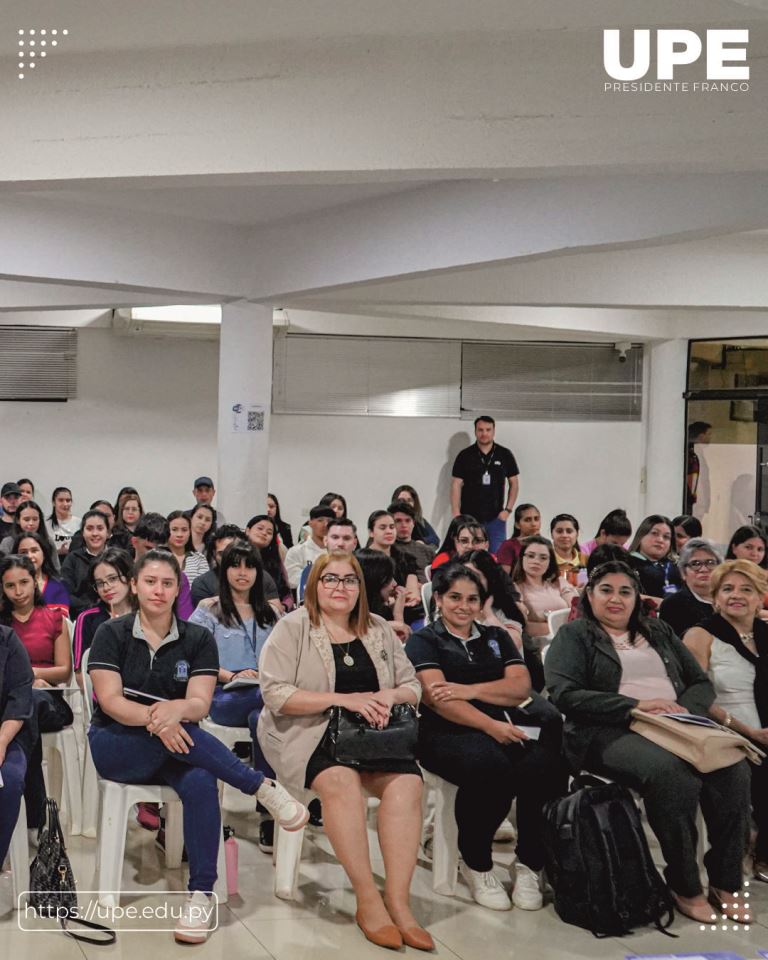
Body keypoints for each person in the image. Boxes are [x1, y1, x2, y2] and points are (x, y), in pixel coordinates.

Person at [87, 548, 308, 944]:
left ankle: (201, 894)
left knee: (201, 779)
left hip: (180, 745)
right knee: (184, 743)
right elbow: (112, 702)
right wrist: (162, 718)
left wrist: (175, 712)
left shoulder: (198, 638)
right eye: (150, 581)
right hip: (117, 744)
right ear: (134, 586)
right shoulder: (111, 633)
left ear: (178, 590)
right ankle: (260, 786)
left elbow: (199, 703)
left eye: (167, 583)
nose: (158, 590)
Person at [545, 560, 751, 924]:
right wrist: (636, 706)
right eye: (606, 590)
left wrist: (679, 713)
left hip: (676, 726)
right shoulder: (575, 636)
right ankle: (685, 884)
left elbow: (700, 683)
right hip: (609, 730)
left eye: (625, 591)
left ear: (637, 597)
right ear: (589, 595)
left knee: (733, 769)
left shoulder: (658, 631)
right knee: (671, 775)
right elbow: (565, 694)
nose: (616, 599)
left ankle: (726, 882)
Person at [257, 551, 428, 951]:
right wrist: (344, 699)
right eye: (329, 579)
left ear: (360, 588)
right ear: (314, 586)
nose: (340, 587)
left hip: (376, 735)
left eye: (348, 580)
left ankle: (399, 903)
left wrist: (388, 694)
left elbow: (413, 685)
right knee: (341, 784)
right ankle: (368, 898)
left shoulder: (379, 628)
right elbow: (275, 693)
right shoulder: (294, 627)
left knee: (407, 787)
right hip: (310, 734)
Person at [406, 564, 567, 911]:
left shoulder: (496, 637)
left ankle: (530, 862)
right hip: (446, 731)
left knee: (547, 765)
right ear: (438, 599)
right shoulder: (425, 641)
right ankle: (476, 862)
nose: (463, 606)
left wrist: (467, 689)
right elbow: (437, 698)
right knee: (490, 767)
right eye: (454, 598)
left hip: (506, 724)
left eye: (472, 599)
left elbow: (520, 686)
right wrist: (489, 722)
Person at [189, 540, 279, 851]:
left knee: (261, 716)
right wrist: (233, 675)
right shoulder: (208, 612)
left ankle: (269, 807)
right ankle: (272, 805)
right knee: (268, 708)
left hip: (263, 696)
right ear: (223, 570)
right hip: (222, 695)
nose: (242, 573)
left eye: (249, 566)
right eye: (235, 565)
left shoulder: (270, 614)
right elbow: (193, 659)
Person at [683, 559, 768, 882]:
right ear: (715, 597)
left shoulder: (765, 633)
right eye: (728, 589)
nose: (737, 596)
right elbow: (696, 697)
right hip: (726, 730)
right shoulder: (701, 635)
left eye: (747, 589)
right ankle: (744, 848)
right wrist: (747, 731)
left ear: (760, 596)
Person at [0, 555, 73, 832]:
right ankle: (36, 820)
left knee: (26, 707)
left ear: (36, 581)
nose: (18, 592)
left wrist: (32, 678)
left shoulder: (54, 618)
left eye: (23, 583)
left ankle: (32, 815)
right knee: (23, 717)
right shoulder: (2, 624)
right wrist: (23, 683)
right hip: (12, 702)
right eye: (9, 586)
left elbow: (64, 670)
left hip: (51, 699)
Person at [450, 416, 520, 554]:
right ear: (475, 432)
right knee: (468, 555)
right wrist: (456, 514)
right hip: (469, 518)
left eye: (488, 430)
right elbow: (456, 485)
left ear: (494, 431)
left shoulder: (504, 454)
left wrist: (508, 510)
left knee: (497, 557)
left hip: (496, 518)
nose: (484, 433)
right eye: (480, 430)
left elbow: (514, 483)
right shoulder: (465, 455)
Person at [0, 620, 35, 872]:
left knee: (9, 780)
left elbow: (19, 700)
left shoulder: (8, 641)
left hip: (6, 732)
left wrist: (1, 742)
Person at [72, 547, 136, 678]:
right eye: (100, 583)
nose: (106, 588)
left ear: (130, 578)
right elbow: (80, 674)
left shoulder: (145, 614)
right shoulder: (87, 618)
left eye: (112, 579)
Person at [511, 536, 578, 639]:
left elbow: (576, 611)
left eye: (543, 558)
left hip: (569, 639)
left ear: (549, 561)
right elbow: (526, 627)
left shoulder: (559, 582)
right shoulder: (515, 589)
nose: (536, 561)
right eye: (531, 556)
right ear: (521, 558)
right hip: (537, 645)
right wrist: (561, 625)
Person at [130, 513, 194, 620]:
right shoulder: (122, 574)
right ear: (134, 542)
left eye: (160, 549)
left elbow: (184, 619)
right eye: (149, 548)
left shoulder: (179, 577)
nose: (154, 554)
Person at [366, 511, 422, 624]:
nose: (388, 531)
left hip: (407, 610)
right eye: (382, 528)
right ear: (371, 532)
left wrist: (413, 594)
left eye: (392, 527)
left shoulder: (405, 557)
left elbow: (412, 590)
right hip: (376, 616)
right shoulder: (364, 559)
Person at [658, 538, 721, 638]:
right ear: (683, 573)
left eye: (710, 562)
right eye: (695, 564)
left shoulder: (728, 599)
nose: (704, 569)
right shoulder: (673, 605)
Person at [61, 509, 111, 618]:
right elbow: (66, 593)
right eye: (89, 529)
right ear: (82, 533)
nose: (95, 533)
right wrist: (89, 609)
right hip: (81, 616)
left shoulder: (116, 558)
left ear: (108, 533)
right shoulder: (73, 559)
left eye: (100, 528)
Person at [356, 548, 411, 642]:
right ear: (374, 581)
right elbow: (398, 646)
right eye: (388, 579)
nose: (395, 584)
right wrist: (398, 617)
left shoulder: (380, 607)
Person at [13, 530, 70, 616]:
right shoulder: (8, 586)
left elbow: (60, 623)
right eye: (24, 552)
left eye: (34, 551)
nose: (29, 556)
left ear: (44, 554)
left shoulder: (57, 586)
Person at [627, 514, 683, 599]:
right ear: (641, 535)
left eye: (666, 537)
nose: (660, 540)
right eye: (654, 533)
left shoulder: (675, 569)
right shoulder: (626, 563)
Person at [245, 515, 292, 611]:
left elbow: (287, 594)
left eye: (269, 532)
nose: (264, 533)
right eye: (260, 528)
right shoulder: (235, 556)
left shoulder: (275, 561)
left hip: (272, 612)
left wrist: (283, 606)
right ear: (247, 530)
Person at [284, 505, 335, 589]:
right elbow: (291, 579)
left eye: (329, 521)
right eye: (320, 520)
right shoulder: (297, 551)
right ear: (310, 523)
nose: (325, 524)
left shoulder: (337, 552)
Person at [0, 499, 60, 569]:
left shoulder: (48, 541)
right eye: (26, 519)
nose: (31, 523)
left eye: (35, 519)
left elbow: (56, 569)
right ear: (18, 520)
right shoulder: (7, 542)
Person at [389, 500, 435, 583]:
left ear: (413, 523)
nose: (404, 525)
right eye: (398, 521)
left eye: (407, 520)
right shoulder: (387, 549)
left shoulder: (427, 551)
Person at [167, 510, 209, 584]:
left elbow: (204, 588)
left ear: (190, 532)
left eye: (184, 530)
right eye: (174, 529)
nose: (179, 534)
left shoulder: (199, 559)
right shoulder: (158, 557)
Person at [497, 503, 541, 574]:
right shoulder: (509, 545)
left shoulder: (545, 545)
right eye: (527, 520)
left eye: (536, 519)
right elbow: (504, 578)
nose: (533, 524)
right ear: (517, 525)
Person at [549, 513, 587, 585]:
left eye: (569, 531)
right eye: (559, 531)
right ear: (552, 534)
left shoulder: (586, 560)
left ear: (577, 534)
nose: (564, 535)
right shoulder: (546, 560)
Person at [45, 486, 80, 558]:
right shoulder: (45, 523)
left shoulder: (79, 523)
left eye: (68, 500)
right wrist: (57, 552)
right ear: (53, 502)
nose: (65, 504)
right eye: (61, 500)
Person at [686, 421, 712, 515]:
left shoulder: (698, 453)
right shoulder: (691, 454)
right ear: (701, 436)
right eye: (708, 434)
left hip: (698, 503)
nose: (710, 437)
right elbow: (696, 480)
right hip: (694, 503)